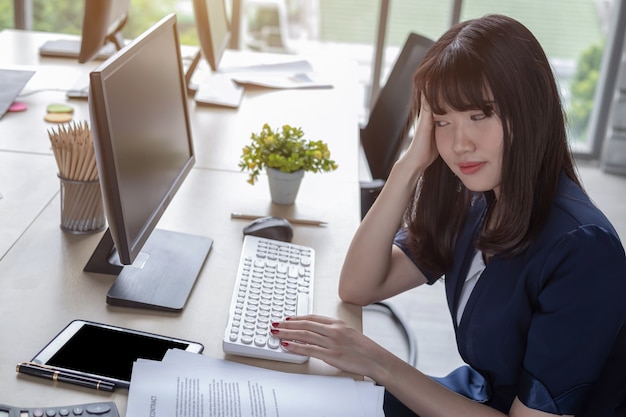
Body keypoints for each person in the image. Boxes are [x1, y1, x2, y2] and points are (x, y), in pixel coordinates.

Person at [268, 14, 626, 417]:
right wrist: (409, 164)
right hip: (471, 401)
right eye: (442, 121)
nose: (459, 143)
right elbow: (358, 286)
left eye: (480, 115)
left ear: (530, 110)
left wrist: (378, 363)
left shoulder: (583, 250)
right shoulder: (478, 201)